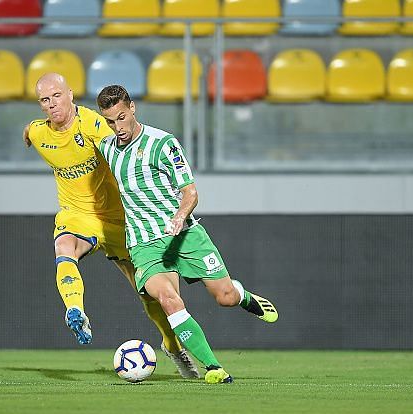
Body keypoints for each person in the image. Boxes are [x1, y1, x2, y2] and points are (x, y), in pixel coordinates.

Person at [96, 84, 279, 384]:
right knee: (168, 299)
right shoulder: (106, 148)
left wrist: (180, 217)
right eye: (110, 122)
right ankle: (213, 367)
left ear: (132, 109)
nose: (118, 128)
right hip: (144, 244)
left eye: (121, 118)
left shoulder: (163, 143)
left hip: (184, 235)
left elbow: (190, 193)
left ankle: (242, 295)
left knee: (225, 296)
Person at [23, 73, 200, 378]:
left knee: (153, 294)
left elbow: (128, 142)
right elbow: (29, 132)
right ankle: (75, 310)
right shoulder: (40, 133)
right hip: (78, 215)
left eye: (57, 96)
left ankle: (172, 346)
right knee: (64, 246)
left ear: (70, 94)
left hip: (121, 220)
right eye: (44, 100)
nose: (52, 105)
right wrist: (27, 134)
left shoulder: (93, 125)